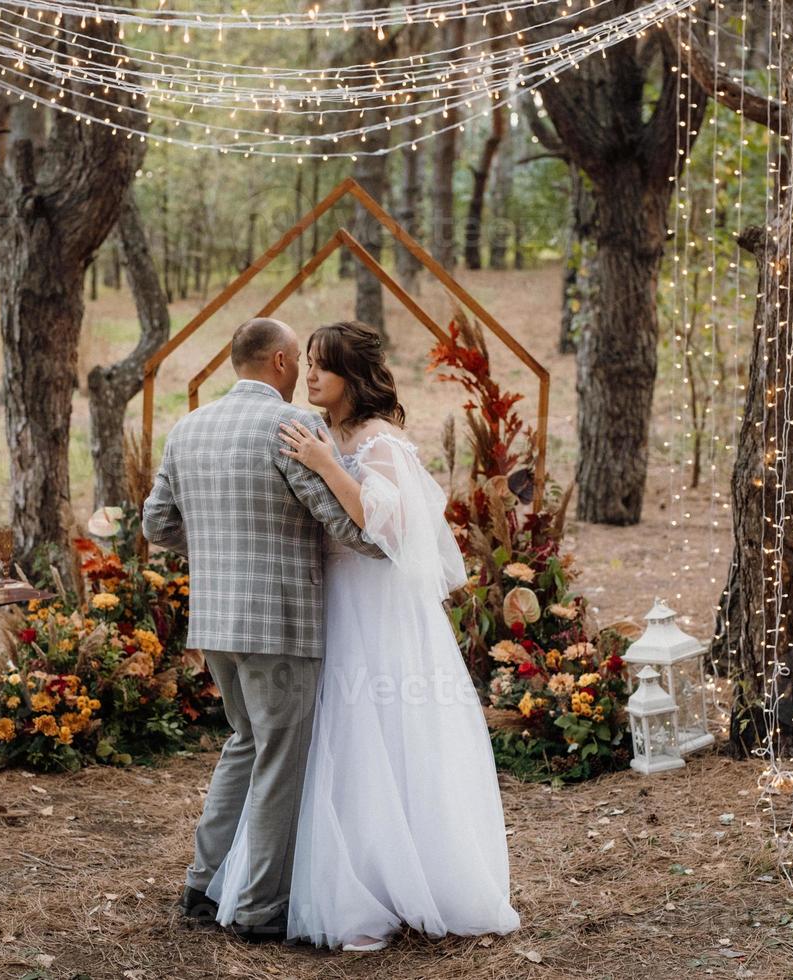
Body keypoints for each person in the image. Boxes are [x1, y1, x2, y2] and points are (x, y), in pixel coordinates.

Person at [206, 320, 520, 951]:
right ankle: (331, 880)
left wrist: (327, 464)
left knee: (380, 734)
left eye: (323, 366)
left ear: (353, 376)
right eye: (309, 364)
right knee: (330, 740)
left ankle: (395, 880)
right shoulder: (319, 431)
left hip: (375, 606)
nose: (310, 375)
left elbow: (392, 529)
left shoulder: (380, 440)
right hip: (323, 602)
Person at [142, 317, 385, 943]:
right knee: (279, 760)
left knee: (244, 743)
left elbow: (157, 526)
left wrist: (221, 543)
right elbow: (350, 527)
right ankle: (257, 909)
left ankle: (202, 883)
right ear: (280, 361)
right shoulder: (289, 427)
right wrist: (385, 536)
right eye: (296, 359)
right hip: (280, 621)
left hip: (216, 622)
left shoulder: (186, 426)